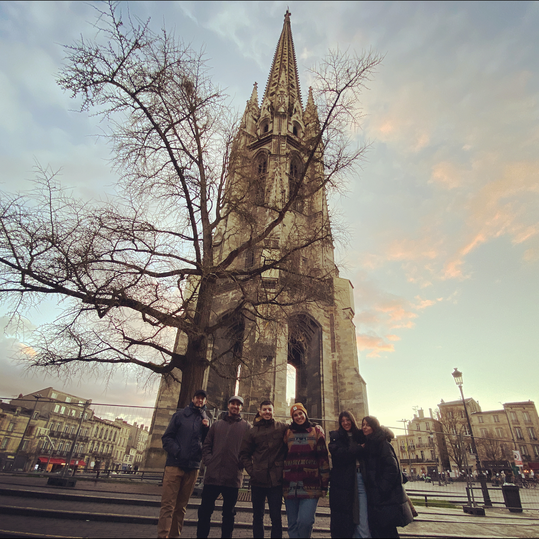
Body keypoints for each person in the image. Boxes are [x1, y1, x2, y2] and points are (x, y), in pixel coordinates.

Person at [157, 389, 210, 538]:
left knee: (181, 507)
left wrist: (207, 429)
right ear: (192, 399)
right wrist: (178, 452)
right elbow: (167, 438)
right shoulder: (179, 415)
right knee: (168, 505)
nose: (200, 400)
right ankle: (163, 536)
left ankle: (174, 536)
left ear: (205, 401)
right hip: (175, 465)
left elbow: (207, 443)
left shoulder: (206, 419)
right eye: (197, 397)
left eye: (202, 398)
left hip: (192, 468)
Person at [197, 395, 251, 538]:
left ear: (241, 408)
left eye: (238, 404)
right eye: (233, 403)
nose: (235, 406)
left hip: (232, 477)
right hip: (212, 476)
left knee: (228, 514)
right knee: (204, 512)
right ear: (228, 405)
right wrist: (208, 460)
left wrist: (241, 463)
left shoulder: (246, 426)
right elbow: (207, 445)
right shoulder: (216, 425)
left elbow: (251, 448)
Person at [239, 399, 288, 538]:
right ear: (260, 412)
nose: (267, 412)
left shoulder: (281, 427)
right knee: (258, 516)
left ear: (273, 411)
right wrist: (252, 471)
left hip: (275, 480)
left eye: (269, 409)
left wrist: (315, 426)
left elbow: (298, 426)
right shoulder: (252, 431)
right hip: (258, 480)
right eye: (264, 409)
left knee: (276, 516)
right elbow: (244, 454)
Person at [283, 403, 330, 538]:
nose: (298, 417)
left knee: (305, 521)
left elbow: (323, 458)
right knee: (292, 524)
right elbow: (282, 456)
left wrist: (324, 484)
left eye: (300, 414)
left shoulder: (316, 432)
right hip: (290, 485)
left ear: (305, 414)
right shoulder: (287, 433)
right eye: (295, 415)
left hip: (311, 485)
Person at [361, 416, 412, 539]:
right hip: (376, 496)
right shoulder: (370, 443)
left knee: (386, 531)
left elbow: (392, 469)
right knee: (379, 530)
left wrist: (381, 489)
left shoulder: (382, 443)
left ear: (374, 427)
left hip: (383, 497)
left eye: (368, 425)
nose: (364, 427)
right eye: (363, 425)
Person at [328, 411, 370, 538]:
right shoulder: (336, 437)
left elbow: (376, 433)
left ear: (352, 420)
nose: (345, 423)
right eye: (342, 421)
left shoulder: (361, 435)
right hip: (343, 481)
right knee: (345, 516)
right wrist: (358, 449)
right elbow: (339, 455)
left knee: (362, 514)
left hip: (361, 478)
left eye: (348, 420)